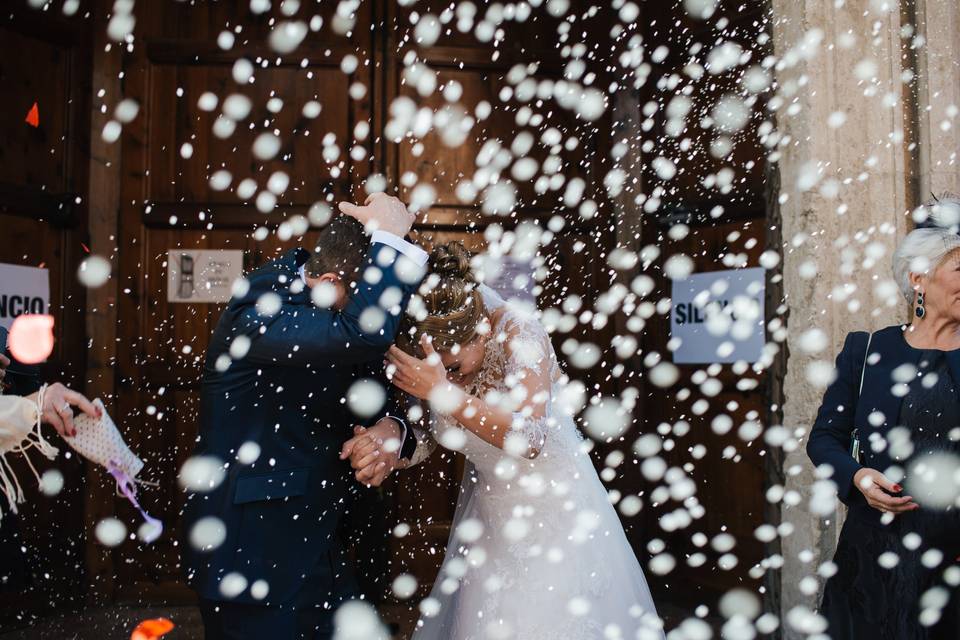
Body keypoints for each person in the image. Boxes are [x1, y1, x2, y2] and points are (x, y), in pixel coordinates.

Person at [375, 242, 664, 640]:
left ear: (484, 330)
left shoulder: (521, 332)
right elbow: (429, 433)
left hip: (558, 523)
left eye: (456, 367)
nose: (451, 378)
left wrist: (445, 393)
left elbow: (530, 437)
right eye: (443, 372)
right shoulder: (435, 350)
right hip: (491, 529)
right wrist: (386, 449)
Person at [181, 193, 429, 640]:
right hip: (252, 552)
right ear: (330, 281)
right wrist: (389, 237)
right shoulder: (258, 305)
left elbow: (389, 391)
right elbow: (364, 332)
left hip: (326, 548)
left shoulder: (338, 312)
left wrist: (392, 430)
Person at [807, 197, 960, 639]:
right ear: (918, 278)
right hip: (875, 557)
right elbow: (825, 438)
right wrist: (858, 478)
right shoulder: (868, 351)